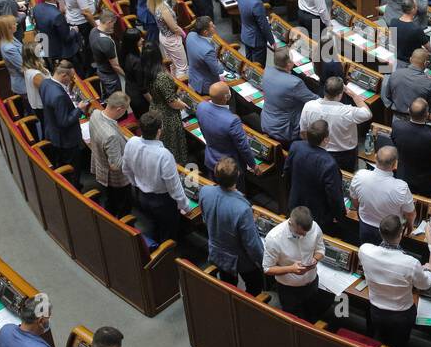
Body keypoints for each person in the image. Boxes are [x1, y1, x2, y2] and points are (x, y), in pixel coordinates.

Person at [356, 214, 431, 347]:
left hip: (376, 310)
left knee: (380, 339)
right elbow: (424, 284)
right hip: (401, 315)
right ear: (401, 234)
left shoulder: (365, 250)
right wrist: (429, 271)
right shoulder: (411, 263)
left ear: (380, 232)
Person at [122, 110, 189, 250]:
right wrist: (185, 206)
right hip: (163, 202)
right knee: (168, 234)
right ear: (159, 131)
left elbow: (125, 169)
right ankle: (165, 257)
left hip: (141, 196)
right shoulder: (164, 155)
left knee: (153, 223)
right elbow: (174, 187)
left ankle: (154, 246)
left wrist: (136, 184)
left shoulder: (132, 142)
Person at [200, 157, 264, 292]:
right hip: (241, 261)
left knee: (228, 287)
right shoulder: (243, 209)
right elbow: (251, 244)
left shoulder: (205, 192)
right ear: (238, 176)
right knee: (255, 287)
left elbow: (205, 219)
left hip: (217, 253)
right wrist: (263, 262)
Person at [262, 206, 326, 320]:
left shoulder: (315, 228)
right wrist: (290, 269)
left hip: (311, 283)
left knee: (312, 316)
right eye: (299, 233)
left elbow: (320, 250)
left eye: (306, 233)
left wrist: (315, 259)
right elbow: (267, 269)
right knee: (293, 320)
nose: (303, 236)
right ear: (290, 223)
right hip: (289, 290)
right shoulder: (274, 239)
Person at [285, 120, 347, 237]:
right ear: (325, 139)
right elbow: (333, 195)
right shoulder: (329, 163)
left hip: (295, 201)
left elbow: (287, 171)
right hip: (317, 214)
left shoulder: (296, 146)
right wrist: (339, 216)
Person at [299, 76, 372, 171]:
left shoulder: (309, 106)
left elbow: (303, 133)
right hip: (344, 155)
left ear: (324, 91)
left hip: (317, 150)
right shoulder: (347, 111)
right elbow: (367, 113)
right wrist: (353, 95)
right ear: (340, 95)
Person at [349, 145, 416, 246]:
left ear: (375, 158)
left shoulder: (360, 176)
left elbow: (355, 200)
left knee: (366, 250)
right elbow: (410, 214)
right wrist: (410, 227)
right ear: (395, 164)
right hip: (391, 231)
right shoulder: (401, 187)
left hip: (365, 225)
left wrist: (362, 212)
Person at [39, 60, 89, 179]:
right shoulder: (59, 95)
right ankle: (76, 189)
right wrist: (79, 109)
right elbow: (64, 122)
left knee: (62, 163)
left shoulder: (45, 83)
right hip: (66, 140)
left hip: (52, 132)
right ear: (63, 75)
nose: (71, 80)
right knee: (73, 170)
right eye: (71, 77)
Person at [195, 81, 258, 176]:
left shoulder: (201, 107)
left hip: (210, 159)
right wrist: (253, 165)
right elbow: (243, 147)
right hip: (229, 168)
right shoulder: (233, 121)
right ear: (227, 97)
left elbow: (203, 131)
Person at [87, 92, 132, 219]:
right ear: (119, 109)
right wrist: (133, 155)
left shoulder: (95, 113)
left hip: (100, 165)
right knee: (122, 204)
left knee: (110, 200)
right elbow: (116, 165)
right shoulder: (110, 136)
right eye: (125, 109)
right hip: (115, 178)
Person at [391, 98, 431, 199]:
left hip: (404, 175)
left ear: (408, 111)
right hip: (427, 181)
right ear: (426, 115)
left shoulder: (397, 126)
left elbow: (395, 142)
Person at [381, 49, 431, 117]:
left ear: (410, 59)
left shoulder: (395, 74)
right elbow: (428, 107)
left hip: (395, 117)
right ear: (426, 63)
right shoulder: (429, 83)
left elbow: (388, 95)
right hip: (417, 119)